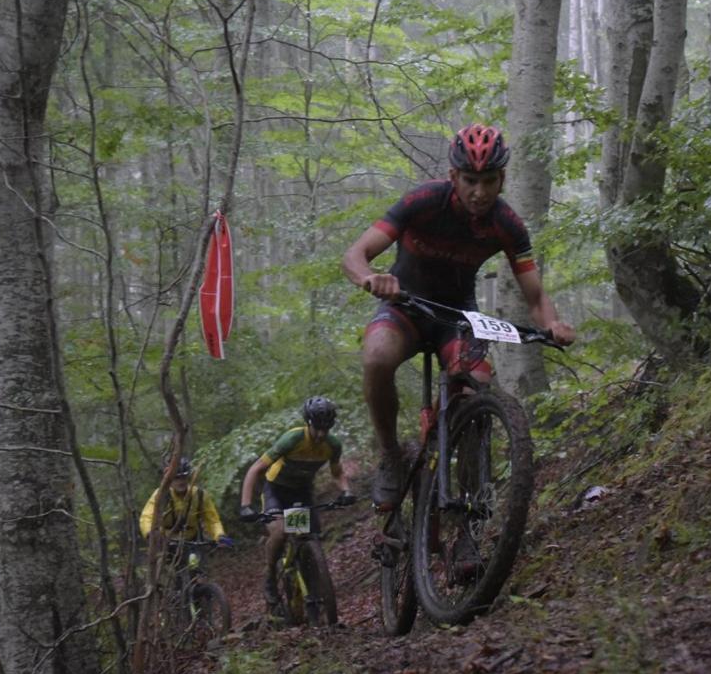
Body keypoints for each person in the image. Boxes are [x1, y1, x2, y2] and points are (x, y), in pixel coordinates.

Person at [341, 123, 576, 511]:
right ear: (453, 176)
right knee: (377, 356)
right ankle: (391, 456)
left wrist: (553, 324)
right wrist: (370, 279)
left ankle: (470, 503)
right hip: (406, 308)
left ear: (502, 179)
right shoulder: (422, 201)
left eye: (488, 181)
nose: (479, 192)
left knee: (477, 385)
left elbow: (535, 295)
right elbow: (354, 255)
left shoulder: (507, 224)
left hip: (458, 318)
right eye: (469, 180)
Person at [238, 396, 355, 608]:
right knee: (280, 531)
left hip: (301, 492)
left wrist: (347, 491)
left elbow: (337, 473)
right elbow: (256, 469)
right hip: (276, 490)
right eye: (317, 428)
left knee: (308, 538)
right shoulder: (292, 439)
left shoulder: (332, 445)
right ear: (308, 422)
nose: (321, 434)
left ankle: (309, 590)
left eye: (326, 429)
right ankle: (271, 576)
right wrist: (246, 505)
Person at [139, 457, 232, 546]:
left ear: (189, 477)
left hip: (192, 541)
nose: (181, 481)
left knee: (197, 562)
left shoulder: (199, 495)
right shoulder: (161, 494)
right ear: (170, 479)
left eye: (184, 477)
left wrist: (220, 535)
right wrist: (150, 533)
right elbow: (147, 517)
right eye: (177, 478)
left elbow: (212, 521)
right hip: (165, 541)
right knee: (160, 560)